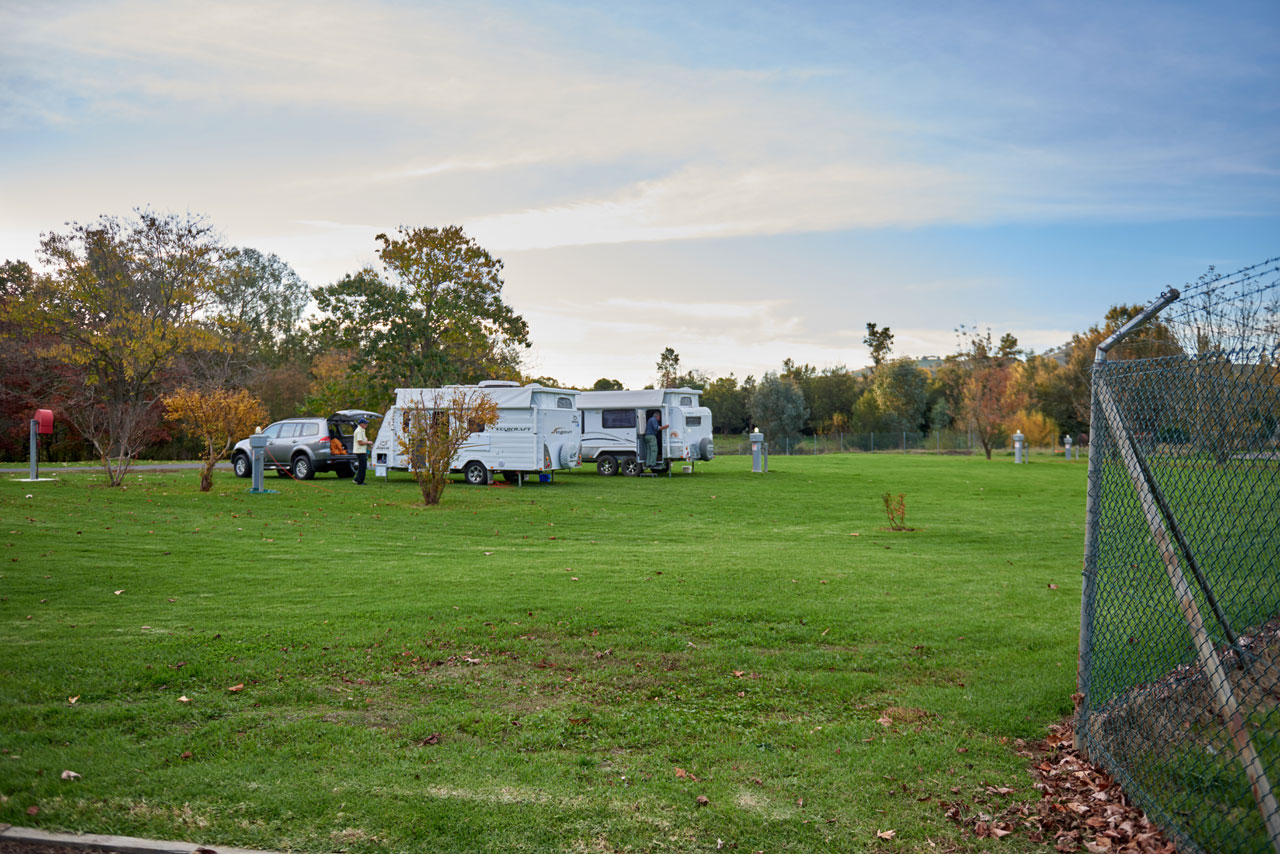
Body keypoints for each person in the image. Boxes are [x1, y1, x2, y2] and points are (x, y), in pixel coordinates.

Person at [352, 418, 371, 485]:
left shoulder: (362, 430)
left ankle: (356, 479)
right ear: (361, 424)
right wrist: (368, 442)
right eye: (365, 423)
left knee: (361, 466)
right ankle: (360, 481)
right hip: (360, 451)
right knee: (363, 467)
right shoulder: (359, 431)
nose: (366, 425)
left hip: (361, 451)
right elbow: (360, 442)